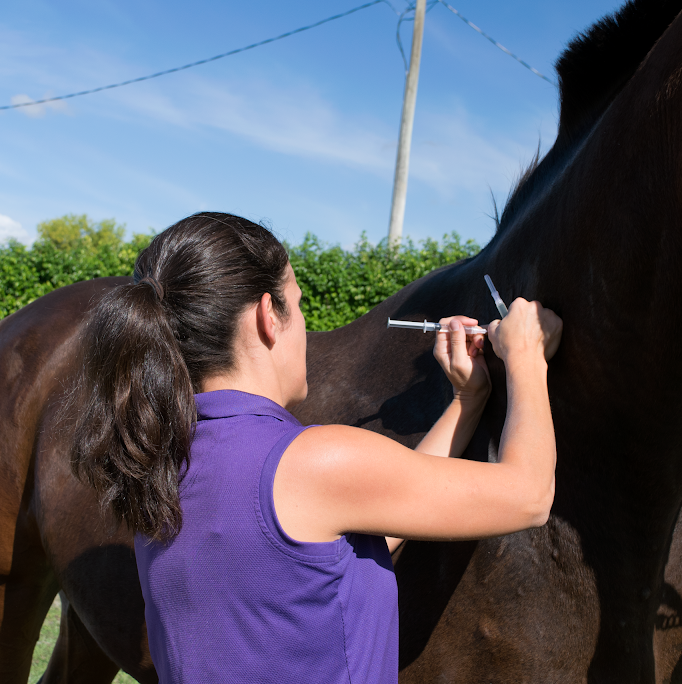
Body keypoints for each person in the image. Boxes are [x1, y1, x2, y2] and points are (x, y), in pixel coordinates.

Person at [71, 212, 561, 684]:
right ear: (268, 316)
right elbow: (529, 495)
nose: (305, 324)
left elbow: (336, 550)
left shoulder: (160, 463)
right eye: (299, 304)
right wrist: (525, 357)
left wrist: (464, 402)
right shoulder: (311, 462)